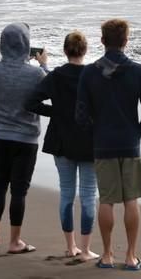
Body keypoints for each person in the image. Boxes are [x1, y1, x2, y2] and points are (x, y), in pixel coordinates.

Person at [75, 19, 141, 271]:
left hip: (103, 142)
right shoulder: (137, 70)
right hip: (129, 142)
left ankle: (108, 254)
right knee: (131, 199)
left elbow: (80, 113)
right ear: (125, 41)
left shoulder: (89, 72)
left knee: (107, 200)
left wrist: (94, 131)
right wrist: (140, 130)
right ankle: (131, 256)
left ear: (102, 41)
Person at [25, 31, 99, 261]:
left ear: (66, 51)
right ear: (85, 50)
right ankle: (86, 250)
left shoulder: (56, 76)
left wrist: (57, 112)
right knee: (88, 195)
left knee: (67, 194)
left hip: (61, 141)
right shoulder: (94, 75)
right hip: (89, 142)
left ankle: (71, 247)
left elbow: (31, 102)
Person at [0, 23, 48, 254]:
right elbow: (52, 89)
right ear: (26, 44)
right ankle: (15, 241)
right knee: (19, 191)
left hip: (0, 136)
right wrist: (44, 65)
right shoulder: (36, 74)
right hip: (26, 139)